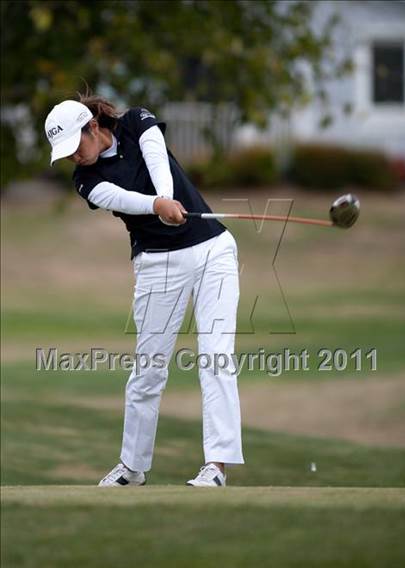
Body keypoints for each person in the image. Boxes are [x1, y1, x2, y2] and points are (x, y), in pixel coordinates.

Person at [44, 94, 244, 487]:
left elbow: (156, 155)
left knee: (216, 357)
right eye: (65, 154)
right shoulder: (86, 180)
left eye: (75, 146)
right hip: (157, 264)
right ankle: (132, 468)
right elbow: (122, 200)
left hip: (212, 250)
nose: (74, 157)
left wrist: (166, 197)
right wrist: (157, 205)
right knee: (147, 371)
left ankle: (217, 466)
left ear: (93, 127)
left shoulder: (136, 121)